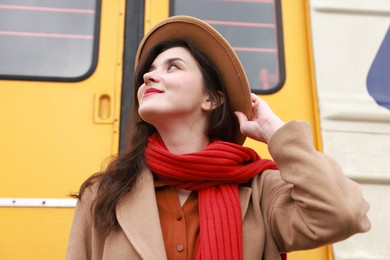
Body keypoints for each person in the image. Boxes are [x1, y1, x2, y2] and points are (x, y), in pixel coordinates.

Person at [66, 16, 371, 260]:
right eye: (149, 71)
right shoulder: (103, 194)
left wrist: (276, 131)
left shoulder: (261, 192)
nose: (149, 76)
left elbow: (342, 214)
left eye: (172, 66)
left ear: (211, 98)